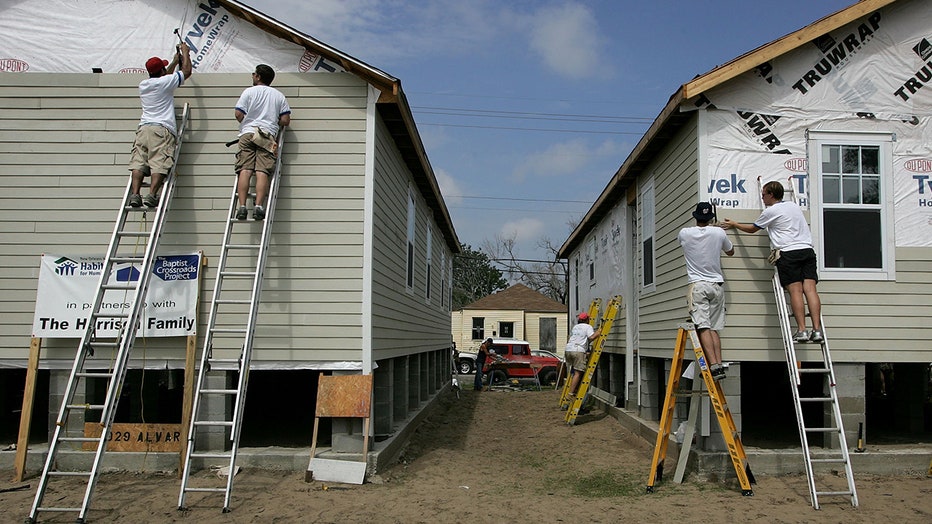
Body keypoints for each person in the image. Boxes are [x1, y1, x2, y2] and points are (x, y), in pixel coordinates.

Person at [721, 180, 824, 344]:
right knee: (810, 290)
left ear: (771, 194)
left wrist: (734, 224)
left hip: (788, 253)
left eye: (763, 195)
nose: (762, 198)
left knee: (796, 291)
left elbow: (753, 229)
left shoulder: (771, 211)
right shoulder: (794, 206)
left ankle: (802, 330)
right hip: (807, 251)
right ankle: (817, 331)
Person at [128, 43, 193, 208]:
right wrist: (185, 53)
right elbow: (186, 72)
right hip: (161, 129)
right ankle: (152, 194)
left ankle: (135, 195)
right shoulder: (164, 83)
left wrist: (173, 62)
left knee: (139, 163)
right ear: (161, 72)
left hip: (143, 129)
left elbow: (165, 76)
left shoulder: (144, 85)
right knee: (159, 163)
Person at [678, 202, 735, 380]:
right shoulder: (719, 232)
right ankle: (718, 364)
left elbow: (687, 242)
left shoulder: (685, 233)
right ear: (711, 217)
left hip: (698, 285)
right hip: (717, 286)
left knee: (703, 327)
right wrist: (716, 229)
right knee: (714, 328)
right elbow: (731, 251)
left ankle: (714, 367)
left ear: (695, 217)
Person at [233, 64, 292, 221]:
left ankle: (242, 207)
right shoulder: (279, 96)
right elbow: (285, 120)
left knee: (245, 169)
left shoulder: (249, 92)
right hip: (267, 136)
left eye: (254, 74)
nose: (252, 76)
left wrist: (247, 122)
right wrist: (271, 120)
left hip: (248, 133)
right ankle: (258, 206)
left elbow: (238, 114)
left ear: (258, 77)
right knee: (262, 171)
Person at [564, 312, 600, 399]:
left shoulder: (575, 327)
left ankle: (573, 388)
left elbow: (583, 339)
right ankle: (571, 394)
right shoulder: (588, 327)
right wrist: (598, 332)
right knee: (578, 373)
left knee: (574, 370)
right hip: (578, 351)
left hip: (568, 350)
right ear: (587, 319)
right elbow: (591, 337)